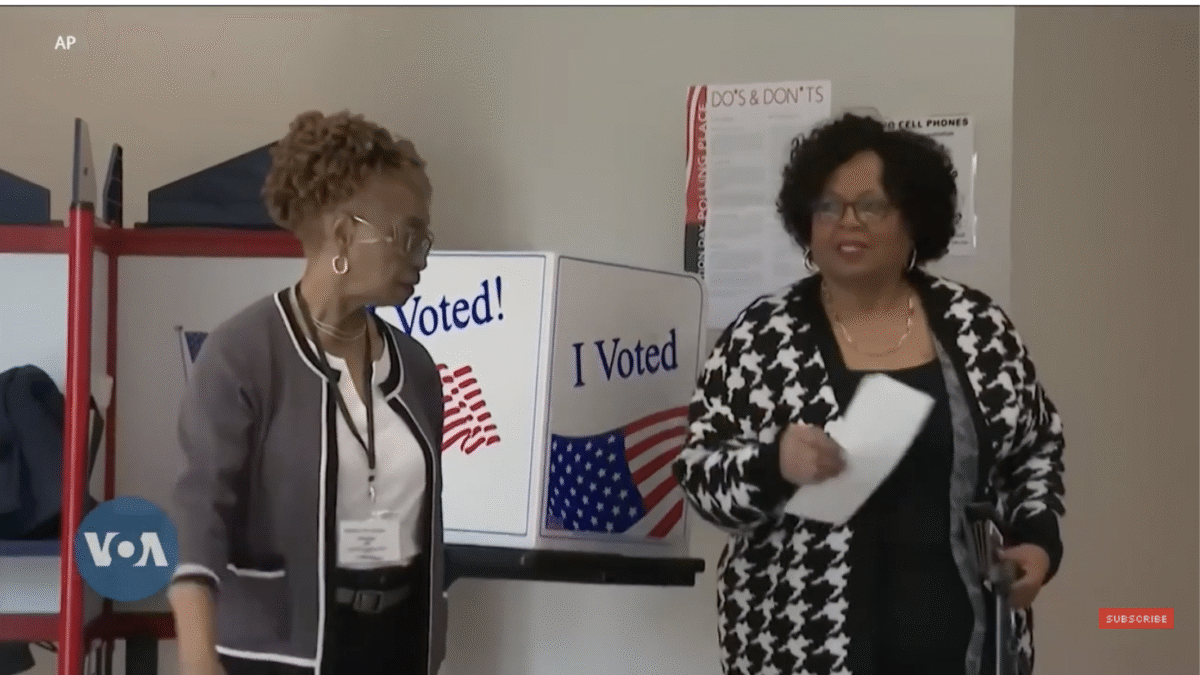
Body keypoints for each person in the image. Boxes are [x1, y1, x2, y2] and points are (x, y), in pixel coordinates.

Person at [672, 113, 1065, 675]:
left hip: (967, 645)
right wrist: (772, 461)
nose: (845, 223)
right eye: (827, 207)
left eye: (870, 206)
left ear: (913, 221)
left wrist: (1037, 541)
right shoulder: (761, 336)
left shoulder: (977, 326)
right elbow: (699, 472)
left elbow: (1036, 447)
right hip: (798, 648)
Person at [167, 110, 447, 675]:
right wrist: (197, 659)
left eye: (426, 238)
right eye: (407, 235)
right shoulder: (241, 354)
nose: (421, 257)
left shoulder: (415, 367)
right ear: (345, 233)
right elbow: (199, 520)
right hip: (276, 657)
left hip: (396, 649)